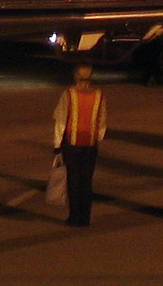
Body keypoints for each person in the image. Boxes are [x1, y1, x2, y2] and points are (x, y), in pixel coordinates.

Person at [52, 64, 107, 227]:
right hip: (90, 144)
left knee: (74, 181)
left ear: (75, 76)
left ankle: (75, 217)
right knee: (87, 181)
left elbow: (60, 120)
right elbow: (102, 122)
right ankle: (86, 217)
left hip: (72, 143)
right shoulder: (99, 95)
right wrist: (97, 139)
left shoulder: (69, 94)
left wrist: (56, 144)